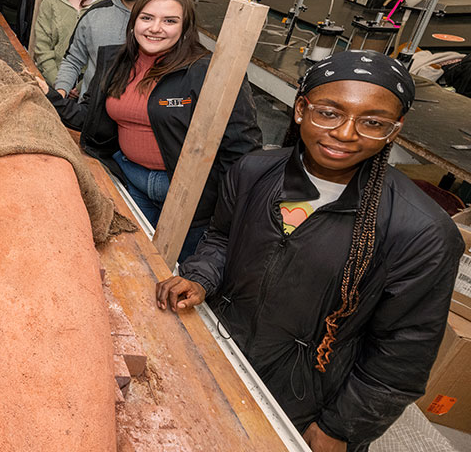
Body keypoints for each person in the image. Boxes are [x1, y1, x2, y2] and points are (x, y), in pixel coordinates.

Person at [156, 50, 464, 452]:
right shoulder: (252, 172)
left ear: (394, 130)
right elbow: (221, 240)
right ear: (301, 109)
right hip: (221, 354)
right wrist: (200, 276)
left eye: (373, 122)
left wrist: (340, 429)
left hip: (306, 403)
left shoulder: (421, 232)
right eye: (330, 112)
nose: (346, 133)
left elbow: (402, 355)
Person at [79, 0, 261, 260]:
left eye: (170, 21)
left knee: (178, 271)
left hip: (187, 198)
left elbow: (241, 147)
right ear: (133, 23)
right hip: (131, 180)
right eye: (147, 18)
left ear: (185, 28)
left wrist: (225, 211)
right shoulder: (118, 61)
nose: (155, 28)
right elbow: (90, 116)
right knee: (136, 260)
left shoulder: (206, 70)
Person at [55, 0, 163, 101]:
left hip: (142, 115)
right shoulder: (95, 14)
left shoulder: (168, 22)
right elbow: (73, 60)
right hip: (93, 111)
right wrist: (60, 93)